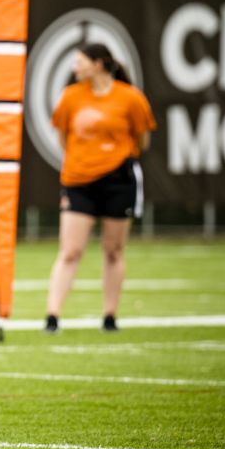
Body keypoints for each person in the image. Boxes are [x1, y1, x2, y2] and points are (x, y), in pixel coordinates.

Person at [43, 43, 156, 334]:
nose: (74, 67)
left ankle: (110, 315)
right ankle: (52, 316)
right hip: (78, 180)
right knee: (70, 250)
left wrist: (115, 157)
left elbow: (142, 141)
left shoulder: (130, 98)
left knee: (113, 249)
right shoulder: (70, 97)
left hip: (118, 180)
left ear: (98, 64)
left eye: (80, 61)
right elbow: (63, 138)